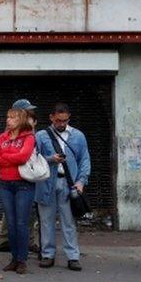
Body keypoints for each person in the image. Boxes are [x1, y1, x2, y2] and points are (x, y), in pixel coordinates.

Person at [35, 103, 90, 271]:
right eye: (58, 120)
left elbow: (85, 160)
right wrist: (51, 159)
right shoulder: (41, 136)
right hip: (46, 183)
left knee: (69, 221)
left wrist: (81, 181)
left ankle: (73, 257)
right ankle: (47, 255)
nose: (61, 124)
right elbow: (33, 158)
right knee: (46, 221)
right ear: (51, 118)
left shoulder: (78, 136)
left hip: (69, 183)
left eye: (65, 120)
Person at [0, 104, 37, 274]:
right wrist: (12, 159)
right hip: (5, 184)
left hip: (24, 184)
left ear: (22, 119)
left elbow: (24, 157)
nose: (9, 121)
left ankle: (22, 259)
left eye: (13, 117)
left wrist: (7, 157)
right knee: (10, 223)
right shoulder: (1, 138)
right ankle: (13, 258)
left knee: (21, 223)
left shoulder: (29, 137)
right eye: (8, 117)